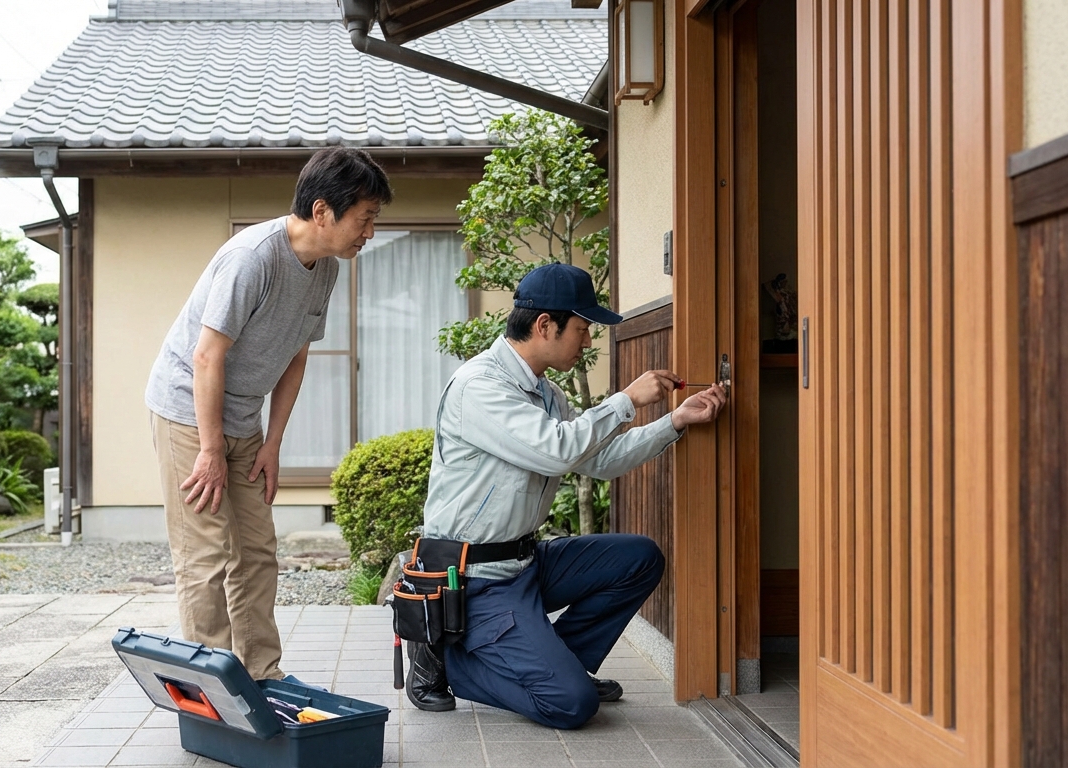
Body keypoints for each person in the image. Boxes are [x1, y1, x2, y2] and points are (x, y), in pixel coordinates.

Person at [407, 262, 727, 728]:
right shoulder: (481, 386)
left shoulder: (544, 391)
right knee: (571, 704)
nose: (588, 340)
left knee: (639, 557)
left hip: (525, 563)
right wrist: (627, 400)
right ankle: (450, 662)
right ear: (544, 326)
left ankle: (562, 664)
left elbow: (598, 460)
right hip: (475, 578)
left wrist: (675, 421)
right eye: (582, 328)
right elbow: (557, 451)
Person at [145, 147, 393, 681]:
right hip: (188, 411)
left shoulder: (325, 267)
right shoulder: (253, 257)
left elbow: (296, 355)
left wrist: (272, 442)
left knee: (257, 550)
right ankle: (211, 686)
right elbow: (207, 356)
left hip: (243, 419)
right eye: (365, 219)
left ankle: (260, 673)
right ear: (323, 210)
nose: (369, 232)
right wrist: (211, 450)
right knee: (206, 555)